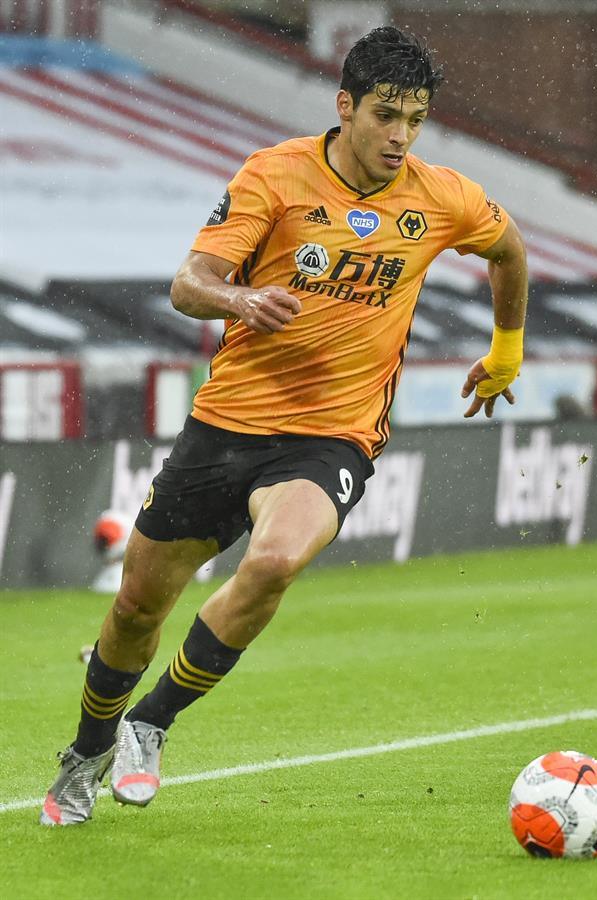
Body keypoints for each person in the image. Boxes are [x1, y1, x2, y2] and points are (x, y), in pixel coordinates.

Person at [40, 26, 527, 826]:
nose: (400, 136)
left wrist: (505, 349)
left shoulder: (441, 197)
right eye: (385, 115)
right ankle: (87, 750)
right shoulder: (275, 174)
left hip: (332, 434)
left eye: (414, 119)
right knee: (134, 610)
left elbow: (507, 251)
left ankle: (150, 723)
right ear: (345, 106)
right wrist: (238, 298)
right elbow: (189, 284)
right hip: (227, 423)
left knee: (273, 560)